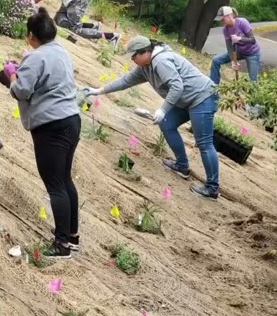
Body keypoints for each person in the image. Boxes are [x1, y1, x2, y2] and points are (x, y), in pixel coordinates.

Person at [81, 35, 221, 199]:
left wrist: (162, 110)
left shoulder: (161, 61)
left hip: (202, 97)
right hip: (186, 99)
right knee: (167, 124)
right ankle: (182, 165)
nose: (132, 59)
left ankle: (212, 188)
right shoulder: (145, 67)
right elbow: (126, 81)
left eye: (134, 56)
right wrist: (99, 90)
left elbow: (177, 87)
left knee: (204, 142)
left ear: (144, 52)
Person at [7, 8, 81, 258]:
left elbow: (21, 91)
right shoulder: (61, 51)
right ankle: (72, 235)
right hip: (71, 120)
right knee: (65, 179)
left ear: (31, 35)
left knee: (55, 185)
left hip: (51, 125)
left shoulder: (35, 58)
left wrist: (12, 75)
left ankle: (61, 245)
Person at [211, 6, 262, 83]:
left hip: (252, 54)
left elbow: (252, 40)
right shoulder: (225, 29)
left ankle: (253, 89)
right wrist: (233, 61)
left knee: (253, 81)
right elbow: (229, 47)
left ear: (229, 16)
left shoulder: (242, 22)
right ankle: (213, 86)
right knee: (216, 60)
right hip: (240, 52)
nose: (221, 21)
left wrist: (239, 39)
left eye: (222, 19)